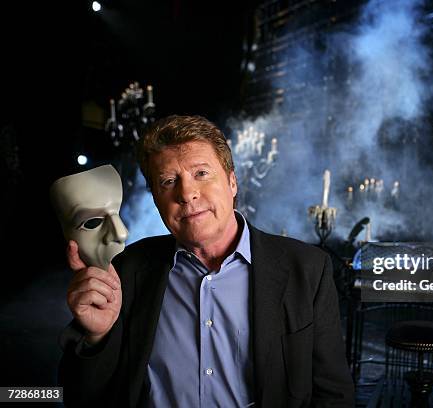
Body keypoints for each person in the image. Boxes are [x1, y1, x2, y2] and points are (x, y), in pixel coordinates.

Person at [58, 115, 355, 407]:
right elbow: (79, 396)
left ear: (232, 182)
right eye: (168, 181)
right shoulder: (127, 270)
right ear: (156, 200)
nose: (186, 193)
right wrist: (97, 337)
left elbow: (333, 395)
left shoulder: (307, 270)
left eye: (201, 173)